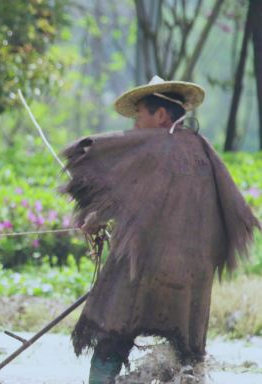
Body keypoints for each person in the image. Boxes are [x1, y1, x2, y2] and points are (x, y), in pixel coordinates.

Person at [60, 76, 260, 384]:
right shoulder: (204, 150)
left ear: (161, 115)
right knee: (187, 356)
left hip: (147, 268)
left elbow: (94, 154)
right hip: (193, 278)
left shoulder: (151, 147)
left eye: (139, 116)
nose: (136, 125)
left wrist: (95, 218)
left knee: (112, 338)